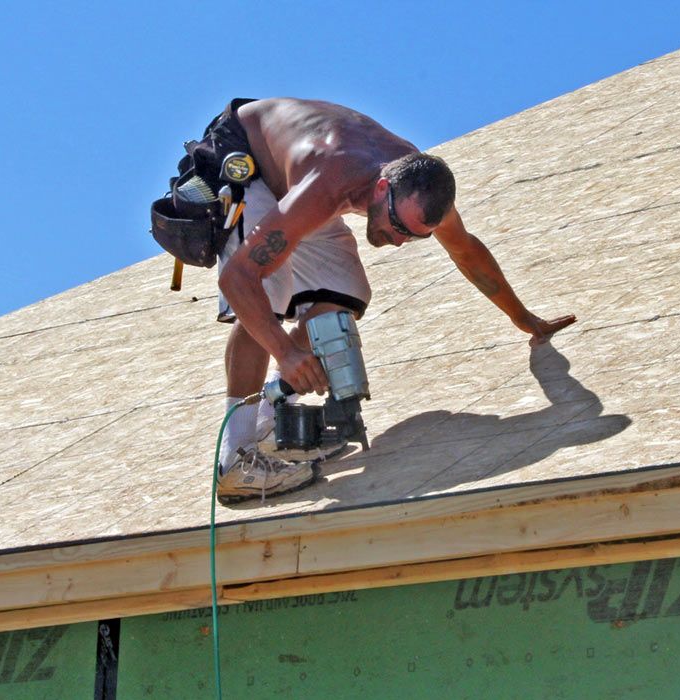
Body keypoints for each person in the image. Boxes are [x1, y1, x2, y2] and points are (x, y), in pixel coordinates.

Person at [202, 98, 576, 503]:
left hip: (303, 189)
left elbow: (466, 251)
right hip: (248, 161)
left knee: (345, 295)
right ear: (382, 188)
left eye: (415, 237)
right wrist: (286, 353)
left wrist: (523, 318)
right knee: (267, 289)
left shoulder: (419, 187)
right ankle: (235, 458)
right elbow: (237, 277)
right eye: (397, 226)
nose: (399, 242)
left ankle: (272, 420)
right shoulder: (328, 180)